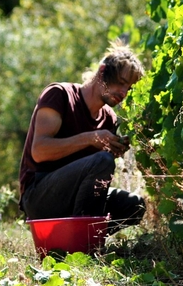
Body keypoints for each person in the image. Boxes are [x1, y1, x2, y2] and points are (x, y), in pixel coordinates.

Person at [19, 39, 146, 233]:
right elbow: (39, 152)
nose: (123, 92)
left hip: (77, 199)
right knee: (102, 160)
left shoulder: (109, 119)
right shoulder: (60, 95)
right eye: (121, 83)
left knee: (134, 204)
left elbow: (94, 177)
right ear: (102, 72)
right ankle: (86, 242)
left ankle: (77, 237)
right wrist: (90, 138)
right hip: (39, 196)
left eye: (128, 88)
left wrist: (114, 150)